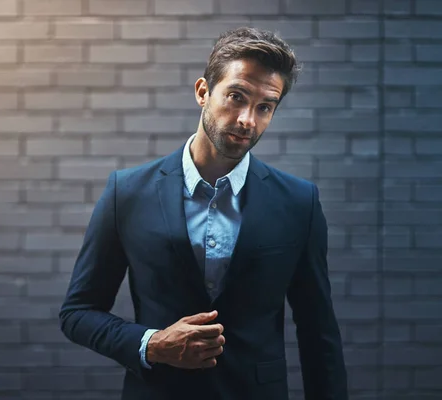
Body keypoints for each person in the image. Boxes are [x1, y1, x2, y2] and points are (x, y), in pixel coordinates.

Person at [59, 27, 348, 400]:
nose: (247, 119)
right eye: (236, 96)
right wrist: (152, 343)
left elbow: (318, 333)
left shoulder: (299, 202)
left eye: (265, 107)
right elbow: (78, 312)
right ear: (202, 92)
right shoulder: (127, 192)